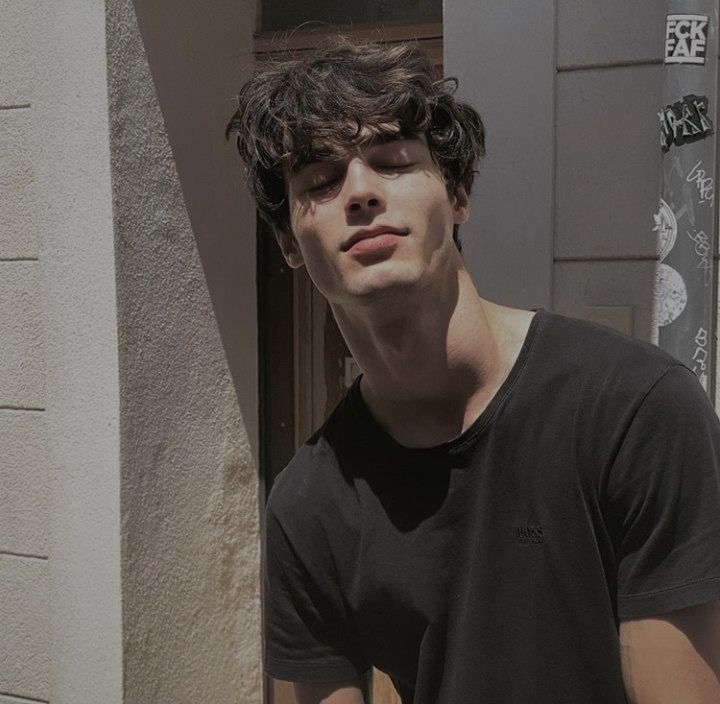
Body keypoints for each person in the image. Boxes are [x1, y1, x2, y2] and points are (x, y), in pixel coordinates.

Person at [227, 38, 720, 704]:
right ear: (289, 241)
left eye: (393, 161)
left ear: (457, 195)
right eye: (319, 180)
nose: (361, 192)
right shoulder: (307, 506)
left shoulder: (635, 409)